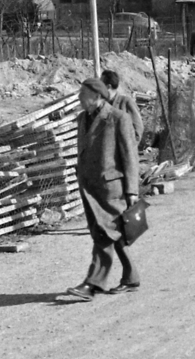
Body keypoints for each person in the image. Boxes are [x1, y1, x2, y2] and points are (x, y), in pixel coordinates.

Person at [57, 77, 141, 302]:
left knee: (104, 234)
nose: (79, 99)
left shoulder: (118, 118)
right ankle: (131, 277)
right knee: (110, 232)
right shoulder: (82, 118)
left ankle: (93, 284)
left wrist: (132, 190)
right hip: (89, 186)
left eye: (82, 95)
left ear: (97, 96)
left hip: (110, 187)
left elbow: (130, 156)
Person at [99, 66, 144, 142]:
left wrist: (127, 149)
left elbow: (138, 130)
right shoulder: (101, 105)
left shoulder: (126, 103)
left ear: (108, 87)